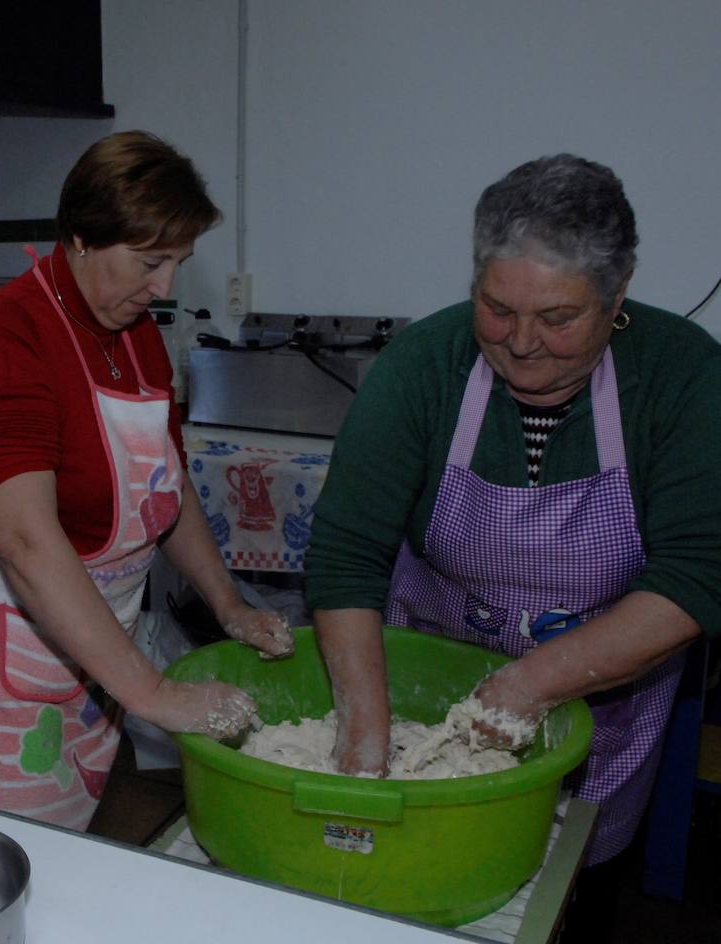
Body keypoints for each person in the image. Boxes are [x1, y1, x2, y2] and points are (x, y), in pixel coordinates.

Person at [304, 154, 721, 912]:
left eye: (558, 318)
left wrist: (527, 687)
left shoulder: (683, 376)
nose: (522, 342)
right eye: (497, 308)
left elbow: (698, 575)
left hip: (600, 705)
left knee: (554, 898)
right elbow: (346, 554)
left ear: (616, 293)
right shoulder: (425, 365)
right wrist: (367, 746)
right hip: (417, 689)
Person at [0, 130, 294, 830]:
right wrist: (151, 690)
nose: (165, 287)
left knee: (70, 838)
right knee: (9, 852)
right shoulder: (4, 335)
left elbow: (165, 491)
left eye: (179, 262)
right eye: (150, 262)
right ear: (83, 237)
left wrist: (227, 604)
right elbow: (24, 538)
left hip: (94, 653)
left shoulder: (136, 334)